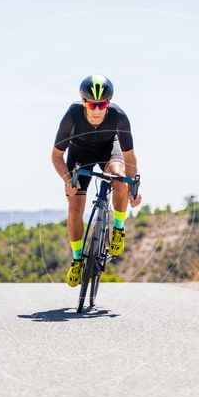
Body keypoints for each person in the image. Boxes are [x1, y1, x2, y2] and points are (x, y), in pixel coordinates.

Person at [51, 75, 142, 287]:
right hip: (79, 155)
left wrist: (134, 189)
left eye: (103, 104)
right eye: (92, 104)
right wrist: (67, 180)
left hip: (109, 150)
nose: (98, 109)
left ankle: (118, 228)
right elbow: (56, 156)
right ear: (84, 102)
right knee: (74, 205)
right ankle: (77, 260)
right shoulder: (72, 115)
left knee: (119, 177)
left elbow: (129, 157)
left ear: (108, 103)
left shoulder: (119, 116)